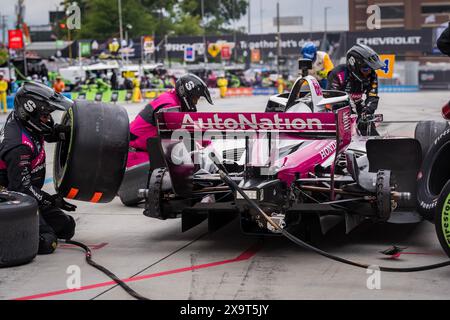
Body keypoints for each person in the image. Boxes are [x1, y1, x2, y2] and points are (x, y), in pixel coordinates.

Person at [0, 81, 76, 254]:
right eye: (45, 115)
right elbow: (21, 189)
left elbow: (50, 132)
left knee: (67, 227)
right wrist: (51, 200)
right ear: (30, 113)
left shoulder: (25, 121)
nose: (48, 119)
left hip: (25, 194)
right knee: (47, 242)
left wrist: (69, 131)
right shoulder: (18, 147)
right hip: (11, 198)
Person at [127, 74, 213, 167]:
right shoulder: (170, 105)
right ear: (186, 94)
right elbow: (181, 134)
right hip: (137, 155)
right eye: (195, 98)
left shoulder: (172, 99)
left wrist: (207, 143)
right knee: (182, 170)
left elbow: (188, 129)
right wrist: (205, 145)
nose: (195, 102)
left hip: (145, 151)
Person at [327, 44, 385, 136]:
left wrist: (366, 112)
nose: (369, 72)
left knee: (369, 128)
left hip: (357, 105)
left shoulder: (372, 75)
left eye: (371, 69)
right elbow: (332, 100)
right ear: (354, 66)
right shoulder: (338, 74)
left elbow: (373, 97)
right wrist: (351, 115)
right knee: (344, 133)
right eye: (366, 69)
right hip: (336, 109)